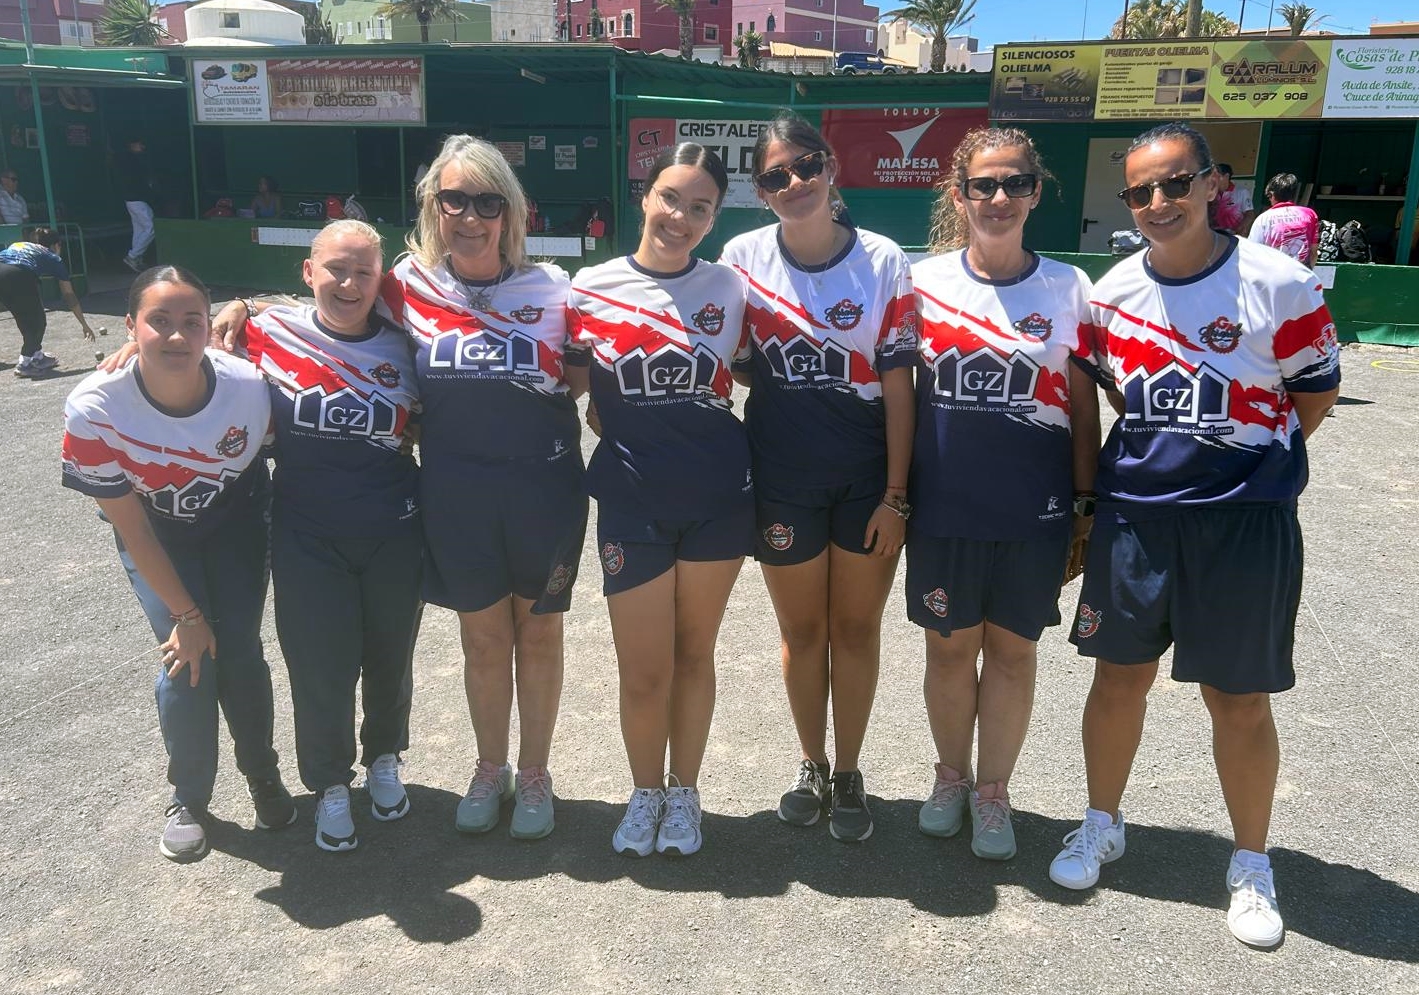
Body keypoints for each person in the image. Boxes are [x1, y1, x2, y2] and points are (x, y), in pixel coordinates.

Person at [1052, 122, 1340, 950]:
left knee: (1238, 699)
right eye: (1140, 190)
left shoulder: (1280, 283)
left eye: (1175, 182)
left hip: (1244, 524)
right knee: (1116, 680)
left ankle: (1250, 862)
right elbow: (1119, 399)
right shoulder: (1109, 294)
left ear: (1214, 184)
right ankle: (1101, 822)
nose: (1157, 201)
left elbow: (1312, 396)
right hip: (1137, 519)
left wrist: (1244, 466)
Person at [719, 113, 917, 844]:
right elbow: (731, 360)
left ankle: (850, 770)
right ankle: (811, 762)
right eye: (776, 175)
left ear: (830, 167)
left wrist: (897, 497)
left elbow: (899, 386)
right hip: (782, 477)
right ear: (761, 189)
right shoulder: (741, 257)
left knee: (856, 630)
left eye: (806, 166)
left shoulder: (883, 259)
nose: (795, 182)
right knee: (802, 633)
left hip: (866, 481)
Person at [382, 134, 586, 840]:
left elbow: (590, 370)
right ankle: (489, 767)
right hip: (456, 493)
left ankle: (534, 772)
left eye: (487, 202)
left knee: (540, 635)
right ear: (432, 207)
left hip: (544, 491)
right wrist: (241, 309)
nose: (470, 216)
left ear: (511, 213)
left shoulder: (554, 288)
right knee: (482, 640)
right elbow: (328, 305)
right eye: (454, 200)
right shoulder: (405, 286)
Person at [199, 223, 424, 852]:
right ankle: (329, 783)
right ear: (308, 272)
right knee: (320, 665)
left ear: (380, 280)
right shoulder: (270, 331)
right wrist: (237, 307)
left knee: (390, 657)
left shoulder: (407, 346)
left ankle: (384, 758)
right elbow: (186, 355)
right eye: (335, 269)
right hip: (306, 531)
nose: (348, 284)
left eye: (363, 272)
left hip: (394, 527)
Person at [60, 266, 296, 862]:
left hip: (238, 524)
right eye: (157, 321)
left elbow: (322, 305)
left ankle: (262, 774)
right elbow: (132, 526)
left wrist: (246, 303)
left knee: (239, 649)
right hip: (157, 534)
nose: (175, 336)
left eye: (191, 322)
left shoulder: (248, 384)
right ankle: (189, 796)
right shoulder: (95, 406)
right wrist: (187, 616)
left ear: (207, 327)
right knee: (187, 653)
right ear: (129, 326)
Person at [908, 127, 1100, 861]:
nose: (998, 197)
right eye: (983, 185)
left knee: (1014, 655)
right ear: (958, 195)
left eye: (1014, 182)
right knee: (949, 653)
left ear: (1035, 192)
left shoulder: (1068, 287)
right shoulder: (921, 284)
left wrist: (1084, 502)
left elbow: (1082, 405)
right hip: (943, 506)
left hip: (1033, 509)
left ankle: (993, 792)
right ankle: (950, 779)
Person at [566, 143, 751, 857]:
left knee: (694, 654)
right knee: (644, 669)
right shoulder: (590, 287)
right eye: (671, 197)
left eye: (700, 207)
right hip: (632, 499)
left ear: (713, 219)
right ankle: (645, 792)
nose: (681, 216)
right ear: (645, 196)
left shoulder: (730, 289)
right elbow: (568, 383)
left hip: (716, 498)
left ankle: (685, 793)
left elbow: (763, 370)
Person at [1, 227, 99, 377]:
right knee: (38, 322)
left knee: (24, 318)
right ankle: (24, 363)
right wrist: (84, 324)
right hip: (19, 274)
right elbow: (69, 295)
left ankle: (37, 356)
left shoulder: (20, 244)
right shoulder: (53, 258)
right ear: (56, 245)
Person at [1248, 173, 1319, 266]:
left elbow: (1253, 252)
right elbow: (1313, 253)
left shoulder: (1263, 218)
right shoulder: (1309, 214)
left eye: (1269, 197)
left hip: (1274, 272)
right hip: (1301, 272)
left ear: (1271, 195)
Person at [115, 137, 155, 273]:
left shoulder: (128, 158)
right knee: (150, 228)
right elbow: (137, 180)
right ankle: (133, 256)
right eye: (139, 144)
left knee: (139, 229)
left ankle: (137, 258)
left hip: (132, 199)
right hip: (136, 198)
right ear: (131, 144)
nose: (142, 147)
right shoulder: (131, 159)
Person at [1210, 162, 1254, 236]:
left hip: (1233, 236)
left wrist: (1241, 231)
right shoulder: (1211, 194)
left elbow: (1249, 214)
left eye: (1216, 176)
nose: (1213, 180)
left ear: (1226, 176)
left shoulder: (1242, 193)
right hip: (1213, 236)